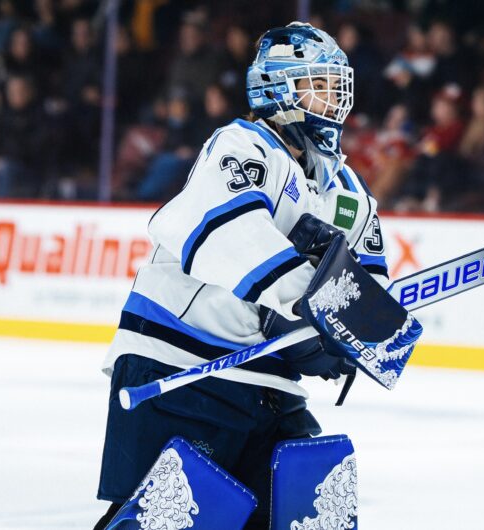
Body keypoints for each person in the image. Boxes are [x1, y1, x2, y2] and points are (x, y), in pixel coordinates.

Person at [94, 22, 389, 530]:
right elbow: (225, 233)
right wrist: (309, 304)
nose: (332, 100)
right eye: (316, 85)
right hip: (179, 366)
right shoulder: (242, 146)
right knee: (172, 519)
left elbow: (366, 293)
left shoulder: (348, 191)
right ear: (277, 89)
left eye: (334, 86)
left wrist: (355, 336)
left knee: (312, 514)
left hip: (271, 385)